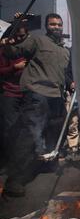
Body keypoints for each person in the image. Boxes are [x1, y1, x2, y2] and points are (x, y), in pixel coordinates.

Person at [0, 13, 69, 197]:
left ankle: (48, 163)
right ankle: (14, 180)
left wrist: (70, 82)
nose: (56, 27)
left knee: (55, 132)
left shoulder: (64, 50)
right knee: (29, 135)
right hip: (38, 94)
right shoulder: (37, 41)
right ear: (47, 27)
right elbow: (16, 52)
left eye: (59, 24)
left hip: (57, 96)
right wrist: (6, 44)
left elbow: (65, 73)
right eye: (52, 24)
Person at [0, 23, 29, 173]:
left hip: (26, 94)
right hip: (9, 94)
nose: (18, 39)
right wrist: (14, 68)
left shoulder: (27, 50)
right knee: (10, 129)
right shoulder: (4, 51)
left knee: (24, 129)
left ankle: (19, 162)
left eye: (22, 36)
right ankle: (8, 162)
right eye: (16, 36)